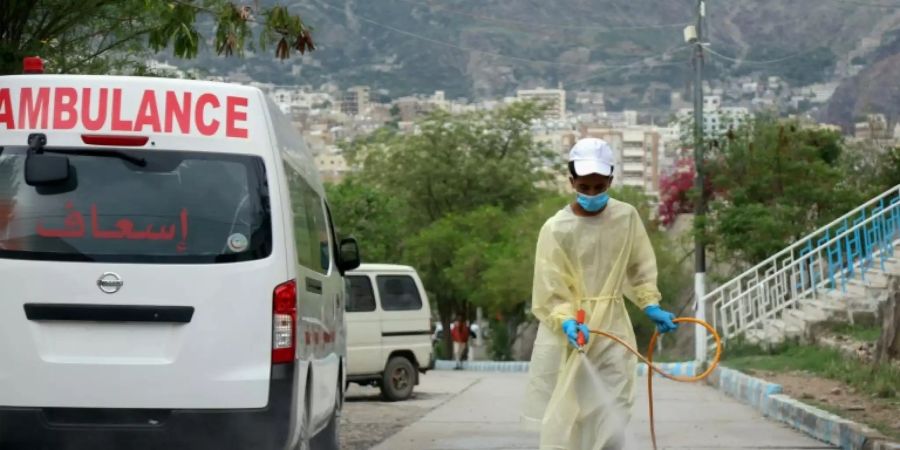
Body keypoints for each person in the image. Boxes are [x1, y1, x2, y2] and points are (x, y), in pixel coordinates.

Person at [522, 138, 678, 450]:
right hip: (577, 331)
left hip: (615, 328)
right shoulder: (556, 229)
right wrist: (565, 320)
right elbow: (551, 288)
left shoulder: (626, 217)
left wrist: (651, 304)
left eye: (598, 187)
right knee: (576, 409)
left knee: (616, 404)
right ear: (571, 183)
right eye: (585, 187)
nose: (592, 194)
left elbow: (639, 266)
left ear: (610, 181)